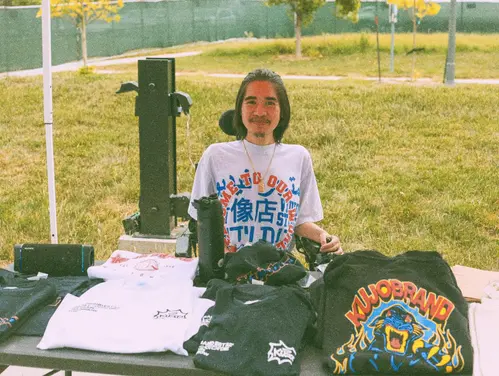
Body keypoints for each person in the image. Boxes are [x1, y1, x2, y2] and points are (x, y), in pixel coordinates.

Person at [188, 68, 343, 255]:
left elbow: (300, 221)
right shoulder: (215, 155)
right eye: (251, 102)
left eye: (270, 103)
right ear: (240, 109)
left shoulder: (298, 157)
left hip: (279, 271)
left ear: (282, 111)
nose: (260, 112)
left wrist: (324, 236)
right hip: (229, 269)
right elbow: (201, 221)